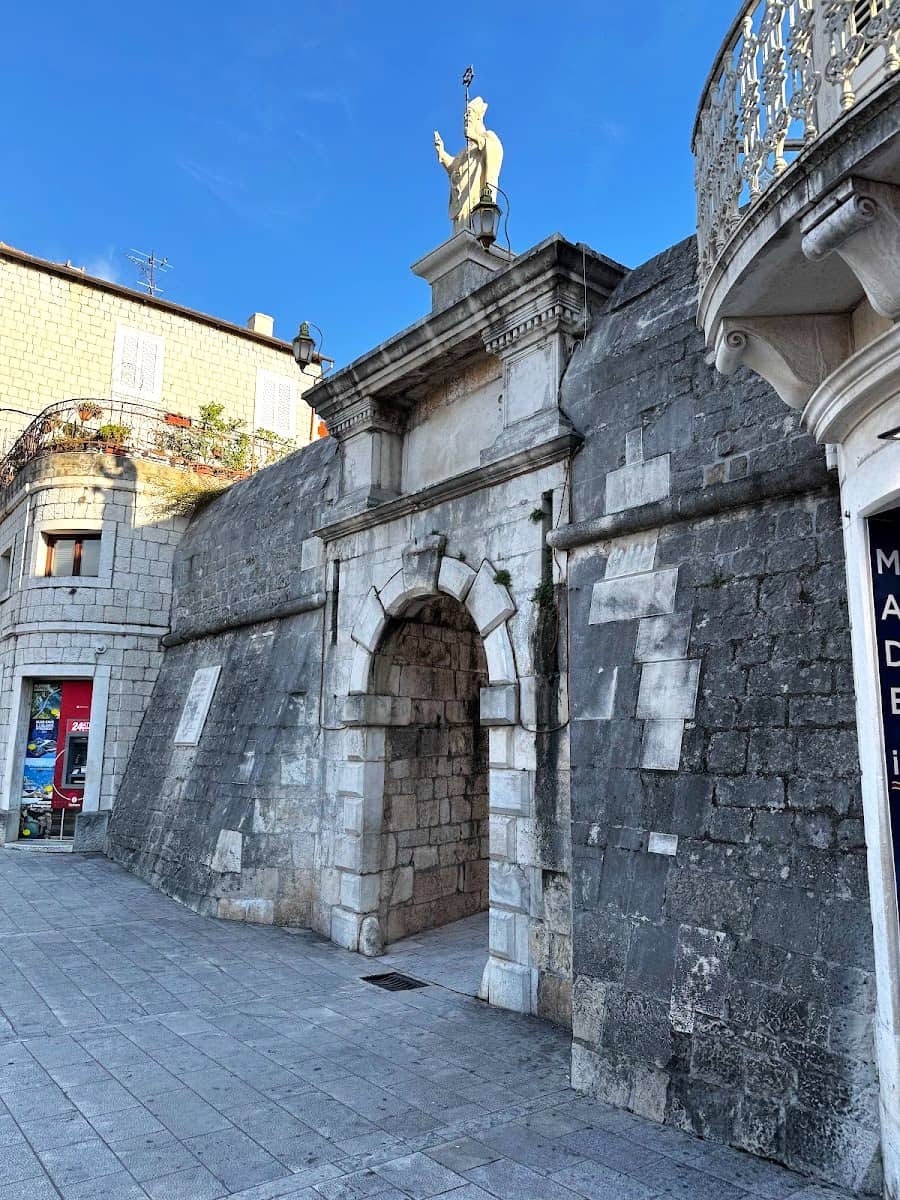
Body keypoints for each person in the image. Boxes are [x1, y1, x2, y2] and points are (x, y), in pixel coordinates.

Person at [434, 98, 503, 232]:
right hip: (463, 197)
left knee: (475, 224)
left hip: (476, 195)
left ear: (478, 117)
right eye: (465, 115)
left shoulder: (487, 136)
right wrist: (442, 152)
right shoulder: (466, 150)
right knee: (461, 227)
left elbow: (496, 150)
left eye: (469, 113)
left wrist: (476, 138)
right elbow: (454, 166)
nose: (466, 117)